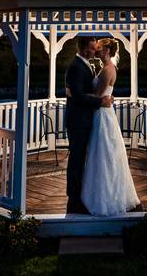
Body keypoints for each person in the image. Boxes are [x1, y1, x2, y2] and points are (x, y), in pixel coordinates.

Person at [80, 38, 140, 215]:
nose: (96, 50)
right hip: (103, 112)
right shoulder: (104, 68)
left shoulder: (107, 70)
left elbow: (97, 96)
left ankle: (104, 198)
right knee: (102, 154)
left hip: (102, 116)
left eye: (99, 48)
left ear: (106, 51)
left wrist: (75, 94)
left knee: (103, 155)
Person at [64, 35, 113, 214]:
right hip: (78, 121)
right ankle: (74, 200)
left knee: (82, 159)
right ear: (85, 49)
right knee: (76, 160)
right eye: (93, 48)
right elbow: (77, 95)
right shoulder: (76, 67)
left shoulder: (86, 65)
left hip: (85, 120)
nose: (96, 51)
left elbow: (89, 91)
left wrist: (105, 96)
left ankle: (81, 196)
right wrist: (100, 102)